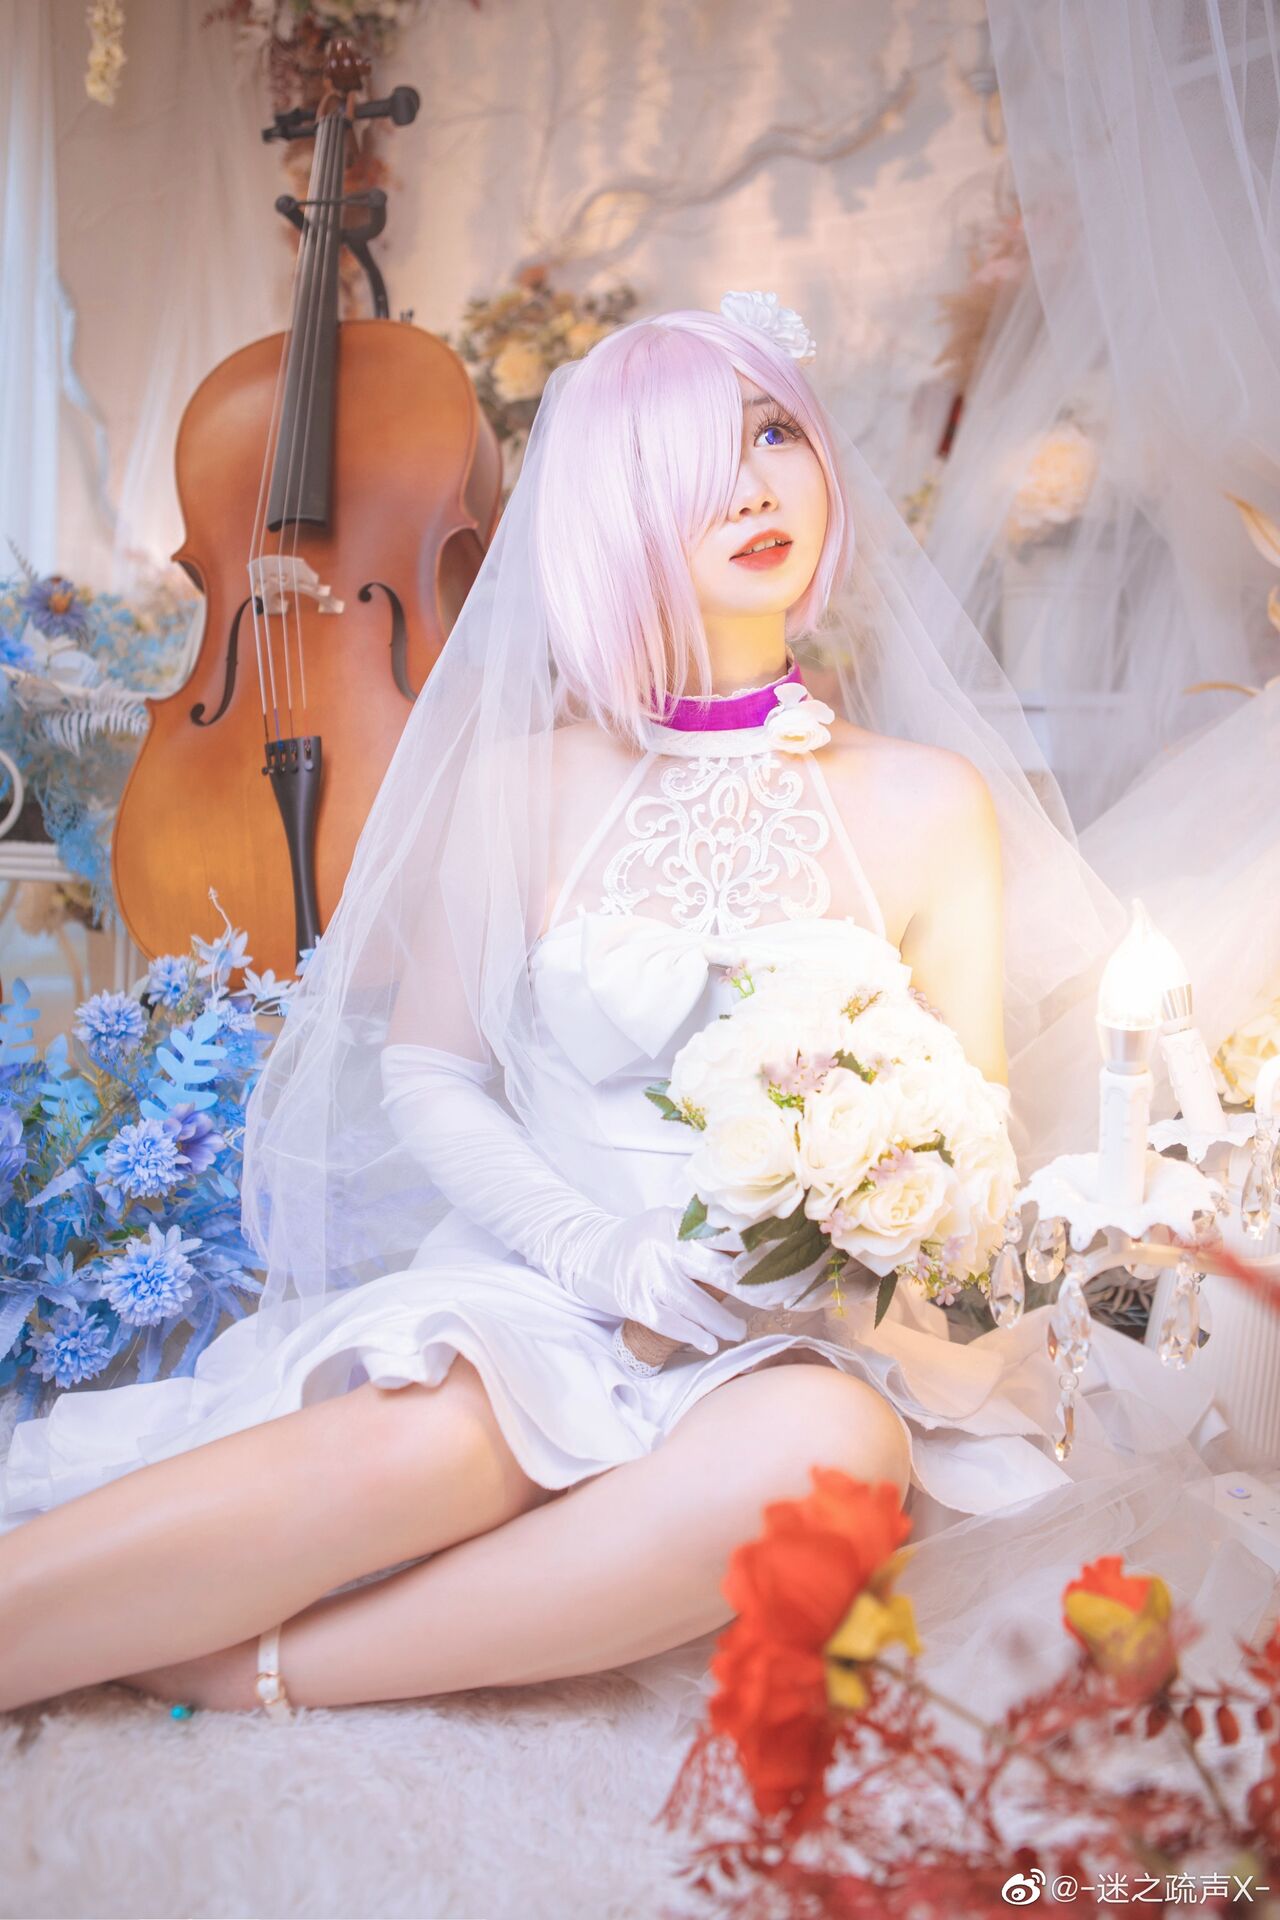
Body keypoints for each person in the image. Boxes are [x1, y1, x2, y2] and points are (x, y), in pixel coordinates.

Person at [0, 297, 1255, 1728]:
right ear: (607, 511)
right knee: (438, 1444)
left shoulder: (927, 802)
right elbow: (429, 1074)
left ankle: (266, 1674)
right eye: (689, 461)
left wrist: (828, 1261)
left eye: (773, 434)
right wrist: (602, 1256)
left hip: (798, 1345)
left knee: (832, 1459)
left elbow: (965, 1143)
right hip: (548, 1281)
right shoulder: (524, 785)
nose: (752, 489)